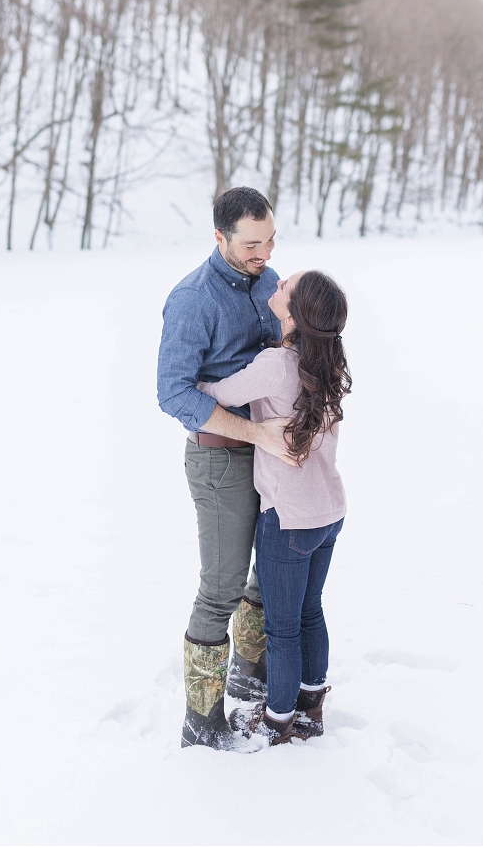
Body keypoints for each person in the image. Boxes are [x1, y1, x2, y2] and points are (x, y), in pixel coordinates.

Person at [157, 187, 293, 750]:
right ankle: (202, 717)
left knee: (268, 574)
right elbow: (172, 393)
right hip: (219, 458)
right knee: (222, 587)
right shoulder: (192, 299)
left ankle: (247, 672)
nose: (263, 253)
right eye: (251, 243)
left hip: (274, 454)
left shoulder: (269, 281)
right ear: (220, 237)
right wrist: (252, 429)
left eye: (270, 240)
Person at [197, 268, 350, 748]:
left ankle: (277, 722)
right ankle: (311, 704)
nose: (277, 285)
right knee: (310, 613)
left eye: (286, 288)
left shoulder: (276, 364)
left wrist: (195, 384)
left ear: (294, 312)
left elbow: (216, 396)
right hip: (329, 511)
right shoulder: (326, 360)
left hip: (287, 517)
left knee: (282, 628)